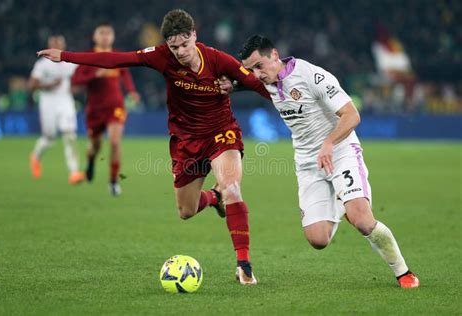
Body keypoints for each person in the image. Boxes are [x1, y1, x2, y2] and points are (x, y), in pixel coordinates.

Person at [38, 9, 270, 285]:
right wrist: (65, 56)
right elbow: (115, 59)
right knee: (187, 210)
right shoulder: (160, 56)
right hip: (186, 140)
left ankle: (244, 266)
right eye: (174, 47)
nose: (180, 52)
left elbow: (256, 84)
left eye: (185, 45)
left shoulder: (218, 60)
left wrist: (248, 89)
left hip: (222, 133)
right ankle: (213, 198)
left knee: (232, 187)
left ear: (194, 35)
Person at [230, 35, 419, 288]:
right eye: (250, 69)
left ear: (274, 55)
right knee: (318, 239)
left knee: (362, 220)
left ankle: (404, 272)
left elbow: (352, 115)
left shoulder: (312, 76)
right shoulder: (267, 80)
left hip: (340, 151)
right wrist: (227, 84)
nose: (256, 74)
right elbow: (238, 79)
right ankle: (343, 202)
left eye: (259, 66)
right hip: (309, 163)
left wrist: (329, 142)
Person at [71, 23, 140, 196]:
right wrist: (95, 75)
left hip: (116, 106)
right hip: (95, 109)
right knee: (95, 146)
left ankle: (113, 181)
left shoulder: (117, 55)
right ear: (95, 37)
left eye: (108, 33)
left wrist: (132, 92)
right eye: (101, 33)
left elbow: (125, 73)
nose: (105, 36)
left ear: (113, 36)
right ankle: (91, 162)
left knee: (115, 141)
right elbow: (76, 80)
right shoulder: (87, 56)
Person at [29, 35, 85, 185]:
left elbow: (81, 78)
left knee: (70, 134)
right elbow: (32, 85)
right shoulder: (42, 64)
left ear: (64, 44)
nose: (57, 45)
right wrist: (50, 85)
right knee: (49, 137)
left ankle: (74, 172)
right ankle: (35, 156)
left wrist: (77, 87)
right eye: (54, 43)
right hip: (48, 102)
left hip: (66, 100)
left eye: (59, 43)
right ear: (49, 46)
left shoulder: (70, 63)